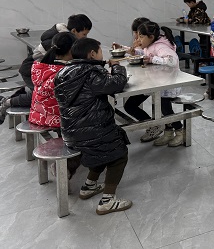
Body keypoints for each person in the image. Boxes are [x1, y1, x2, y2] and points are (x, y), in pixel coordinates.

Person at [54, 38, 131, 215]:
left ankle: (89, 186)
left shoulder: (63, 72)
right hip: (90, 131)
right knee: (118, 153)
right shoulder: (91, 73)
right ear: (92, 54)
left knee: (102, 150)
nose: (102, 55)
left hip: (70, 132)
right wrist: (117, 67)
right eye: (100, 52)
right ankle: (108, 201)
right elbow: (116, 84)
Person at [0, 14, 93, 124]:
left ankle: (17, 95)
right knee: (39, 97)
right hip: (31, 69)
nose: (85, 37)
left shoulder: (63, 38)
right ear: (74, 31)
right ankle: (7, 102)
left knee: (41, 93)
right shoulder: (62, 42)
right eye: (84, 34)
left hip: (38, 70)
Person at [123, 22, 185, 146]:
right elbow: (145, 54)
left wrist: (152, 59)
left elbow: (172, 60)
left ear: (151, 37)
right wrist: (132, 52)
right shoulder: (150, 45)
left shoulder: (160, 46)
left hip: (167, 83)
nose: (138, 39)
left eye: (141, 36)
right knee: (132, 105)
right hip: (154, 82)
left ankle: (180, 131)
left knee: (165, 109)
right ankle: (164, 130)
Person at [29, 32, 77, 129]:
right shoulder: (65, 73)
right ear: (71, 50)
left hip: (37, 116)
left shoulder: (44, 67)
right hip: (56, 119)